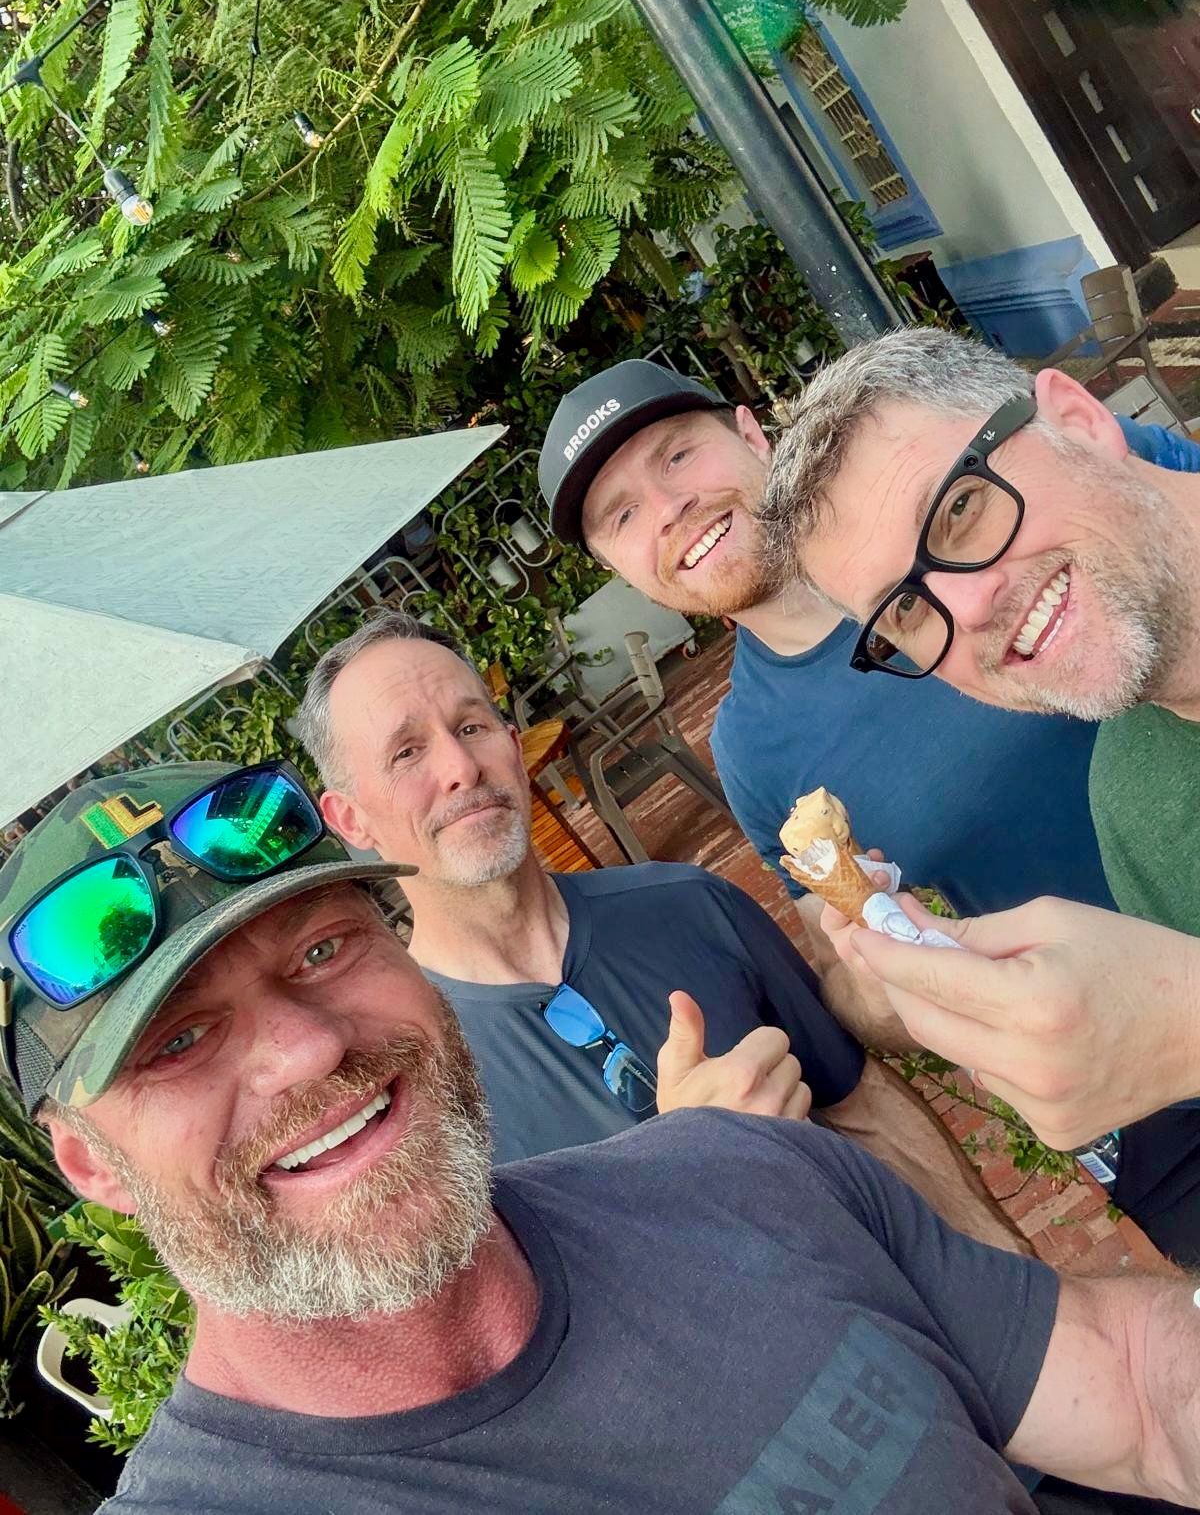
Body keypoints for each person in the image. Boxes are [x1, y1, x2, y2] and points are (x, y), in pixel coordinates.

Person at [11, 765, 1200, 1514]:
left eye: (323, 952)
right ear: (90, 1166)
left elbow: (1147, 1399)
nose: (306, 1052)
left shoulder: (741, 1176)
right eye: (180, 1042)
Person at [295, 610, 1022, 1251]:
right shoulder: (405, 1093)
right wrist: (694, 1167)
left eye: (472, 726)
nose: (460, 766)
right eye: (407, 753)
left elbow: (864, 1107)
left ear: (512, 745)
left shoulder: (693, 904)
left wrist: (1011, 1266)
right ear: (350, 817)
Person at [535, 357, 1198, 1052]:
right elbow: (849, 986)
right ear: (622, 572)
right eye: (625, 514)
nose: (669, 509)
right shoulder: (752, 748)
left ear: (751, 434)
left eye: (676, 456)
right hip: (1116, 1055)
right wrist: (889, 965)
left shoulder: (999, 467)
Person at [751, 327, 1200, 1207]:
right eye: (907, 609)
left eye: (960, 507)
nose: (973, 599)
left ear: (1076, 417)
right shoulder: (1136, 799)